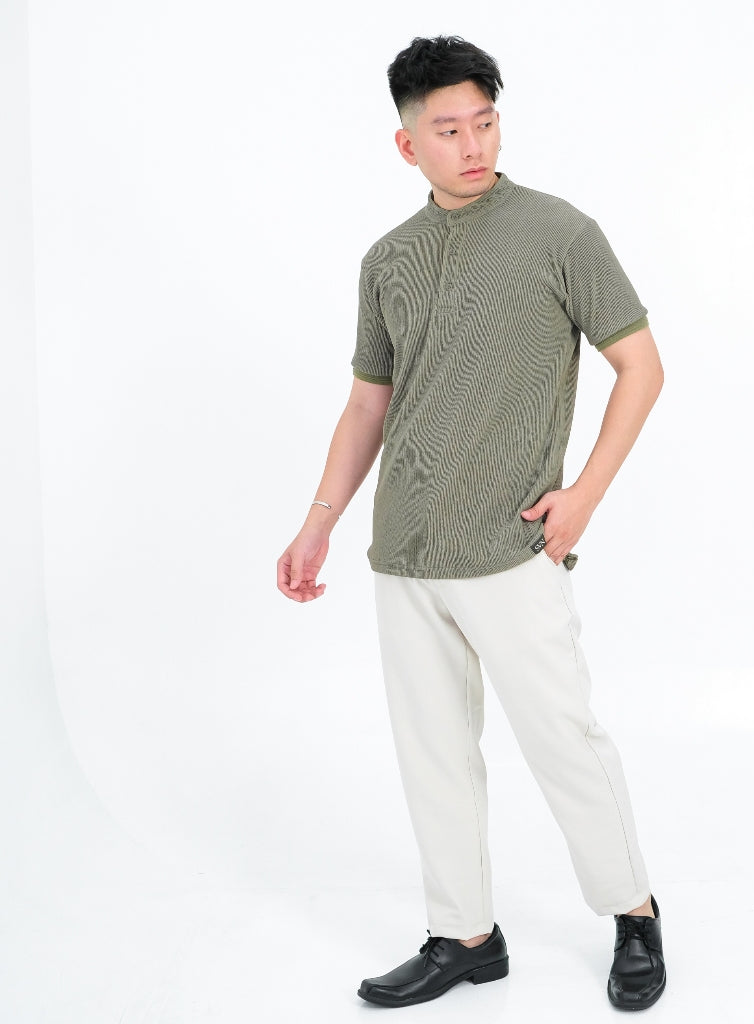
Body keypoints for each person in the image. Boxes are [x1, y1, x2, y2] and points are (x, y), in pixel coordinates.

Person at [276, 35, 666, 1011]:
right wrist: (320, 521)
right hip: (407, 550)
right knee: (434, 754)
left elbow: (641, 367)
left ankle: (633, 913)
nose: (472, 144)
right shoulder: (389, 260)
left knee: (564, 739)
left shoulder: (560, 233)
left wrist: (583, 496)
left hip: (513, 545)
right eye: (447, 130)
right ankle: (464, 935)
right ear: (407, 144)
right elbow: (367, 404)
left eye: (484, 122)